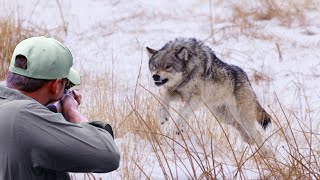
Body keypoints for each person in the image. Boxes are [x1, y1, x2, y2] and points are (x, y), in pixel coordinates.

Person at [0, 36, 120, 180]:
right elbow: (108, 155)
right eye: (66, 86)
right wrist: (72, 111)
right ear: (56, 85)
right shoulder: (22, 117)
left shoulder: (10, 109)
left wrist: (52, 113)